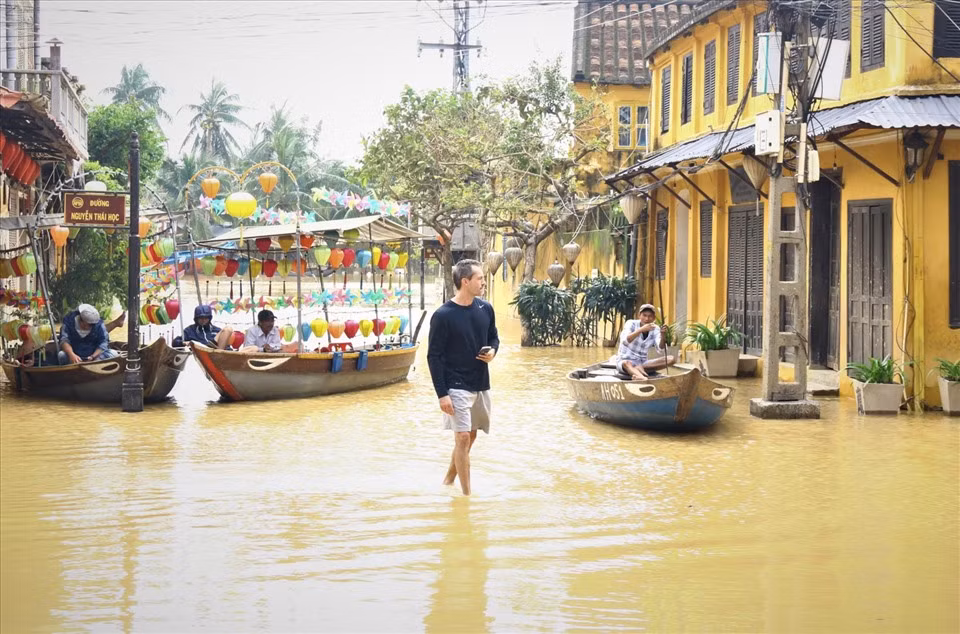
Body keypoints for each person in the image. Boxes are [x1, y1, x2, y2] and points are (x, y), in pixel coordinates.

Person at [427, 259, 499, 496]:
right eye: (480, 278)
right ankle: (466, 497)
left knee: (471, 435)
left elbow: (494, 337)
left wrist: (493, 351)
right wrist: (442, 394)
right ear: (465, 282)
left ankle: (448, 480)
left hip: (480, 383)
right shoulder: (443, 315)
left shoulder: (486, 309)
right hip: (455, 385)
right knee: (463, 437)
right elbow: (434, 357)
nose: (484, 282)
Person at [615, 303, 677, 381]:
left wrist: (662, 335)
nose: (647, 319)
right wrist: (641, 330)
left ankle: (638, 370)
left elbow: (661, 349)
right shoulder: (631, 323)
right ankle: (643, 378)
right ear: (639, 315)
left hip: (643, 363)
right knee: (626, 363)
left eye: (650, 316)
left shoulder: (655, 328)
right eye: (644, 315)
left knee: (671, 359)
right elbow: (625, 341)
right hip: (625, 361)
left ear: (654, 318)